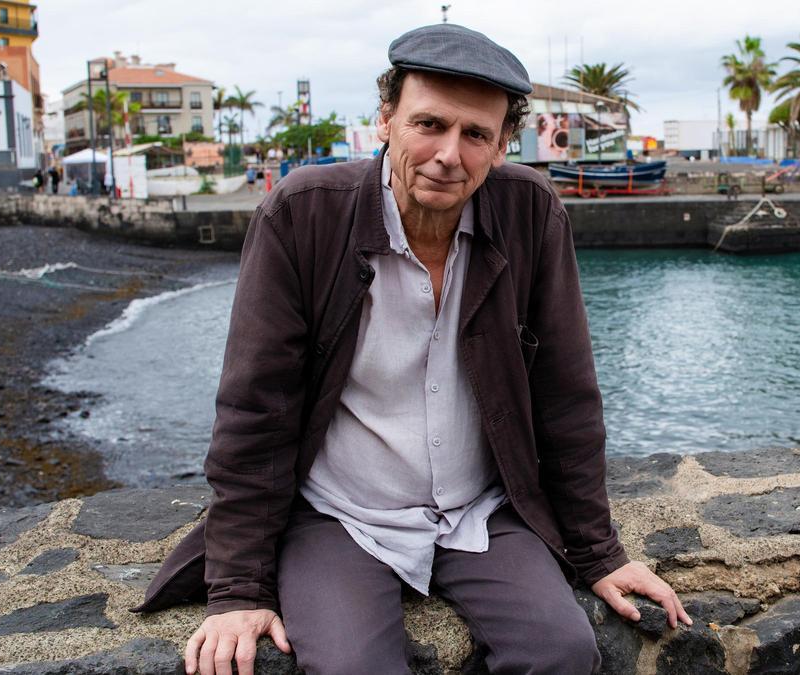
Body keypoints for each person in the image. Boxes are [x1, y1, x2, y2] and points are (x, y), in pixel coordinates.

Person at [134, 23, 689, 674]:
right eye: (429, 124)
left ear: (503, 146)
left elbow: (566, 395)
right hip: (339, 514)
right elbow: (256, 408)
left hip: (479, 510)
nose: (449, 153)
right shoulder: (302, 214)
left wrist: (600, 553)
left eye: (476, 134)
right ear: (386, 121)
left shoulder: (532, 214)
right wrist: (238, 588)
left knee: (563, 651)